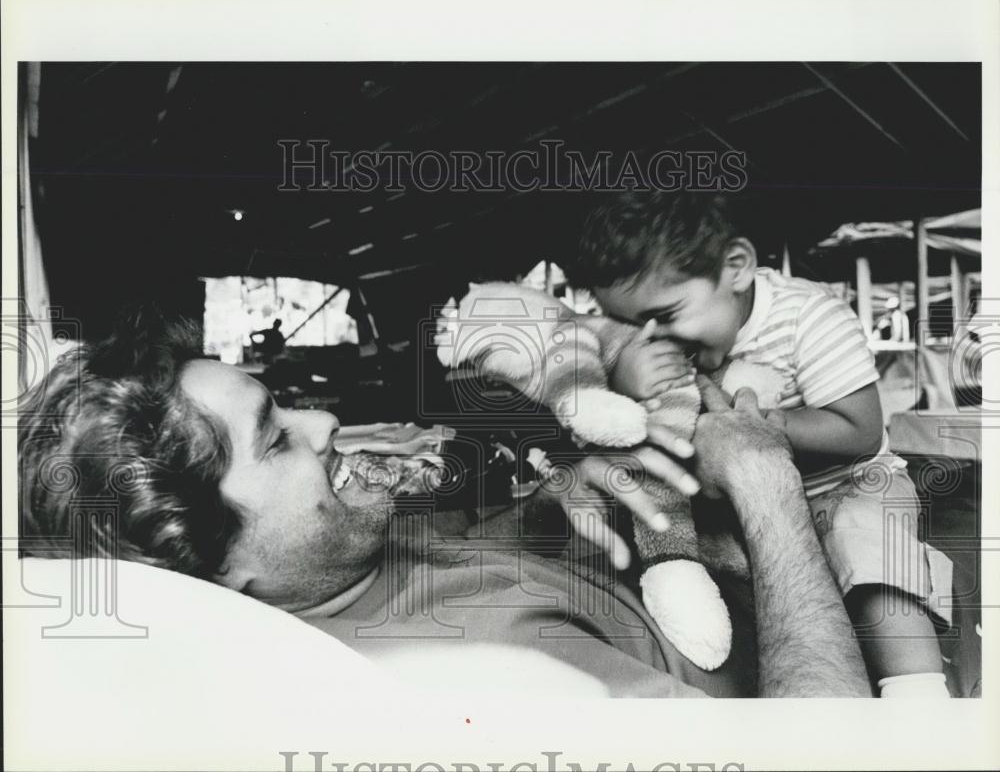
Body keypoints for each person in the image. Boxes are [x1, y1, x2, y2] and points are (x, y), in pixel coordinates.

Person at [18, 309, 870, 697]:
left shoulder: (341, 565)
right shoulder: (481, 681)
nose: (325, 420)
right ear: (221, 571)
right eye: (276, 437)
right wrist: (769, 488)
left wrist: (549, 502)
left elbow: (460, 560)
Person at [565, 190, 953, 697]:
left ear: (737, 267)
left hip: (848, 486)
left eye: (667, 314)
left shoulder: (809, 316)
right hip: (737, 506)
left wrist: (765, 426)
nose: (652, 339)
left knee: (873, 552)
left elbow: (859, 431)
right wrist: (629, 381)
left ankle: (918, 692)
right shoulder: (652, 345)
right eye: (630, 325)